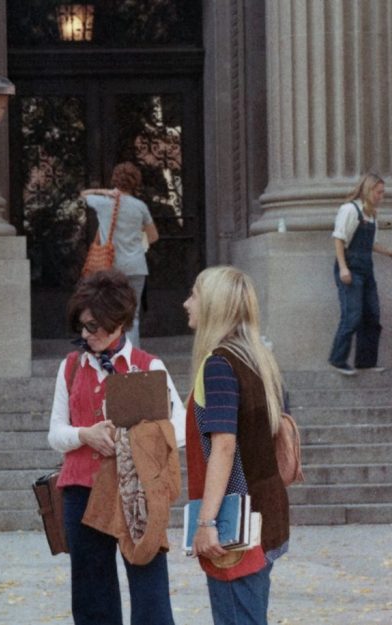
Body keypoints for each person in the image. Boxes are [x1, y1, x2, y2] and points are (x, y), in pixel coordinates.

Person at [47, 270, 185, 625]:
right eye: (82, 326)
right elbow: (55, 433)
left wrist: (132, 440)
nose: (85, 334)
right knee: (92, 595)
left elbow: (181, 428)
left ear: (119, 322)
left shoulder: (148, 365)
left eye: (93, 326)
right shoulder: (72, 367)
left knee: (149, 589)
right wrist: (85, 435)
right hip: (82, 490)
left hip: (136, 489)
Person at [182, 266, 290, 625]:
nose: (186, 303)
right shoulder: (259, 359)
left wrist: (206, 522)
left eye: (194, 295)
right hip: (266, 512)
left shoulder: (219, 364)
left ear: (214, 304)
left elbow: (224, 445)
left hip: (235, 521)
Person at [328, 173, 392, 376]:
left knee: (372, 315)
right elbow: (339, 239)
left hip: (366, 269)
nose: (381, 196)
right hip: (351, 267)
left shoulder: (372, 214)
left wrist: (390, 253)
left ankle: (366, 361)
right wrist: (344, 268)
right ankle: (337, 359)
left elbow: (372, 243)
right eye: (379, 192)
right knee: (352, 315)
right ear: (368, 190)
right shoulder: (350, 210)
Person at [81, 162, 159, 348]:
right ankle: (132, 361)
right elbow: (154, 236)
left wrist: (105, 192)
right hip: (137, 267)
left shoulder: (103, 203)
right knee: (133, 317)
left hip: (111, 267)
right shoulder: (140, 207)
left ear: (115, 180)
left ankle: (110, 354)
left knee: (108, 313)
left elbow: (83, 194)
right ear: (135, 183)